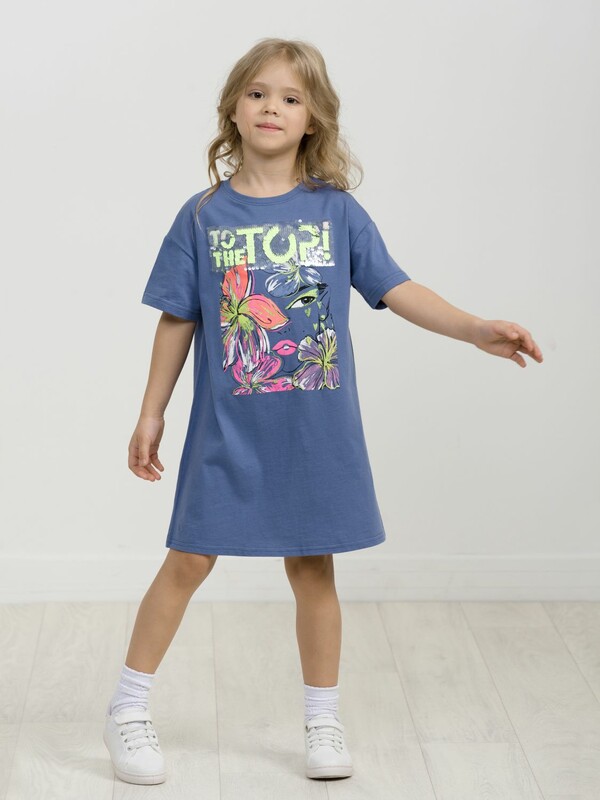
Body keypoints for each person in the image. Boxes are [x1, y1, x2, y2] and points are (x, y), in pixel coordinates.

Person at [103, 37, 544, 786]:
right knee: (189, 559)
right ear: (233, 109)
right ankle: (127, 707)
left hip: (315, 434)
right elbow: (178, 318)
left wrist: (474, 328)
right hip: (229, 433)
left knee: (313, 569)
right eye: (257, 93)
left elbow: (397, 288)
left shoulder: (336, 212)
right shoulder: (203, 216)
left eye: (291, 97)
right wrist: (151, 412)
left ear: (314, 119)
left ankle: (322, 718)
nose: (271, 107)